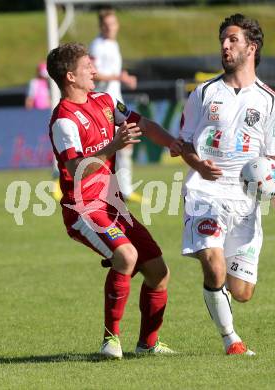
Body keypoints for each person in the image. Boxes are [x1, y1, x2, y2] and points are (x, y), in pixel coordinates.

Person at [47, 42, 180, 359]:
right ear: (70, 76)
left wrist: (176, 143)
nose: (94, 70)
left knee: (159, 272)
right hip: (83, 208)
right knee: (126, 255)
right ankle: (111, 340)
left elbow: (143, 124)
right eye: (87, 66)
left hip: (113, 206)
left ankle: (147, 344)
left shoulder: (106, 102)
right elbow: (75, 167)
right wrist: (111, 146)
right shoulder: (63, 120)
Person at [172, 14, 275, 356]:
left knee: (241, 291)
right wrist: (197, 163)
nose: (225, 46)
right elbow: (183, 143)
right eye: (223, 40)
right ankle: (231, 340)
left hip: (245, 201)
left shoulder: (271, 101)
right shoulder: (204, 93)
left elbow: (274, 158)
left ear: (251, 47)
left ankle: (221, 289)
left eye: (233, 40)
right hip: (205, 192)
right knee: (213, 261)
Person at [89, 8, 140, 203]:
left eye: (113, 24)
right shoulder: (97, 46)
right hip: (101, 102)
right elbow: (93, 73)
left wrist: (123, 76)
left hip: (116, 101)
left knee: (126, 142)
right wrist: (118, 76)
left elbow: (112, 72)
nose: (111, 28)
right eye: (107, 25)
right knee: (103, 146)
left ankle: (125, 190)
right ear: (101, 26)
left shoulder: (113, 45)